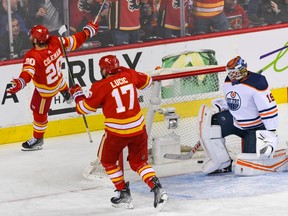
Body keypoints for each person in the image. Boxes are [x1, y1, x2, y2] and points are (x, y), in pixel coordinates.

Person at [69, 55, 168, 210]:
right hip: (138, 129)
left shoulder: (100, 86)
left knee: (107, 161)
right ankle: (157, 188)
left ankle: (123, 193)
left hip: (117, 133)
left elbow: (83, 108)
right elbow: (148, 82)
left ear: (103, 70)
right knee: (139, 162)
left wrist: (77, 94)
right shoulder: (128, 73)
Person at [6, 21, 99, 151]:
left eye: (32, 36)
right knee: (59, 80)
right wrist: (87, 32)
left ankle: (38, 139)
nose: (30, 38)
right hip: (58, 80)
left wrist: (21, 82)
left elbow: (27, 73)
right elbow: (74, 41)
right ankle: (66, 92)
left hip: (45, 90)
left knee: (38, 112)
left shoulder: (32, 56)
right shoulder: (55, 41)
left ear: (36, 41)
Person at [198, 56, 279, 174]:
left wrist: (270, 132)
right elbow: (234, 99)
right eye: (229, 72)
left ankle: (255, 152)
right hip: (236, 122)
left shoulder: (258, 83)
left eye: (234, 72)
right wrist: (221, 105)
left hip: (255, 128)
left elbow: (269, 109)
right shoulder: (228, 80)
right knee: (212, 124)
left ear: (242, 70)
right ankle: (223, 163)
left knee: (248, 166)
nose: (231, 76)